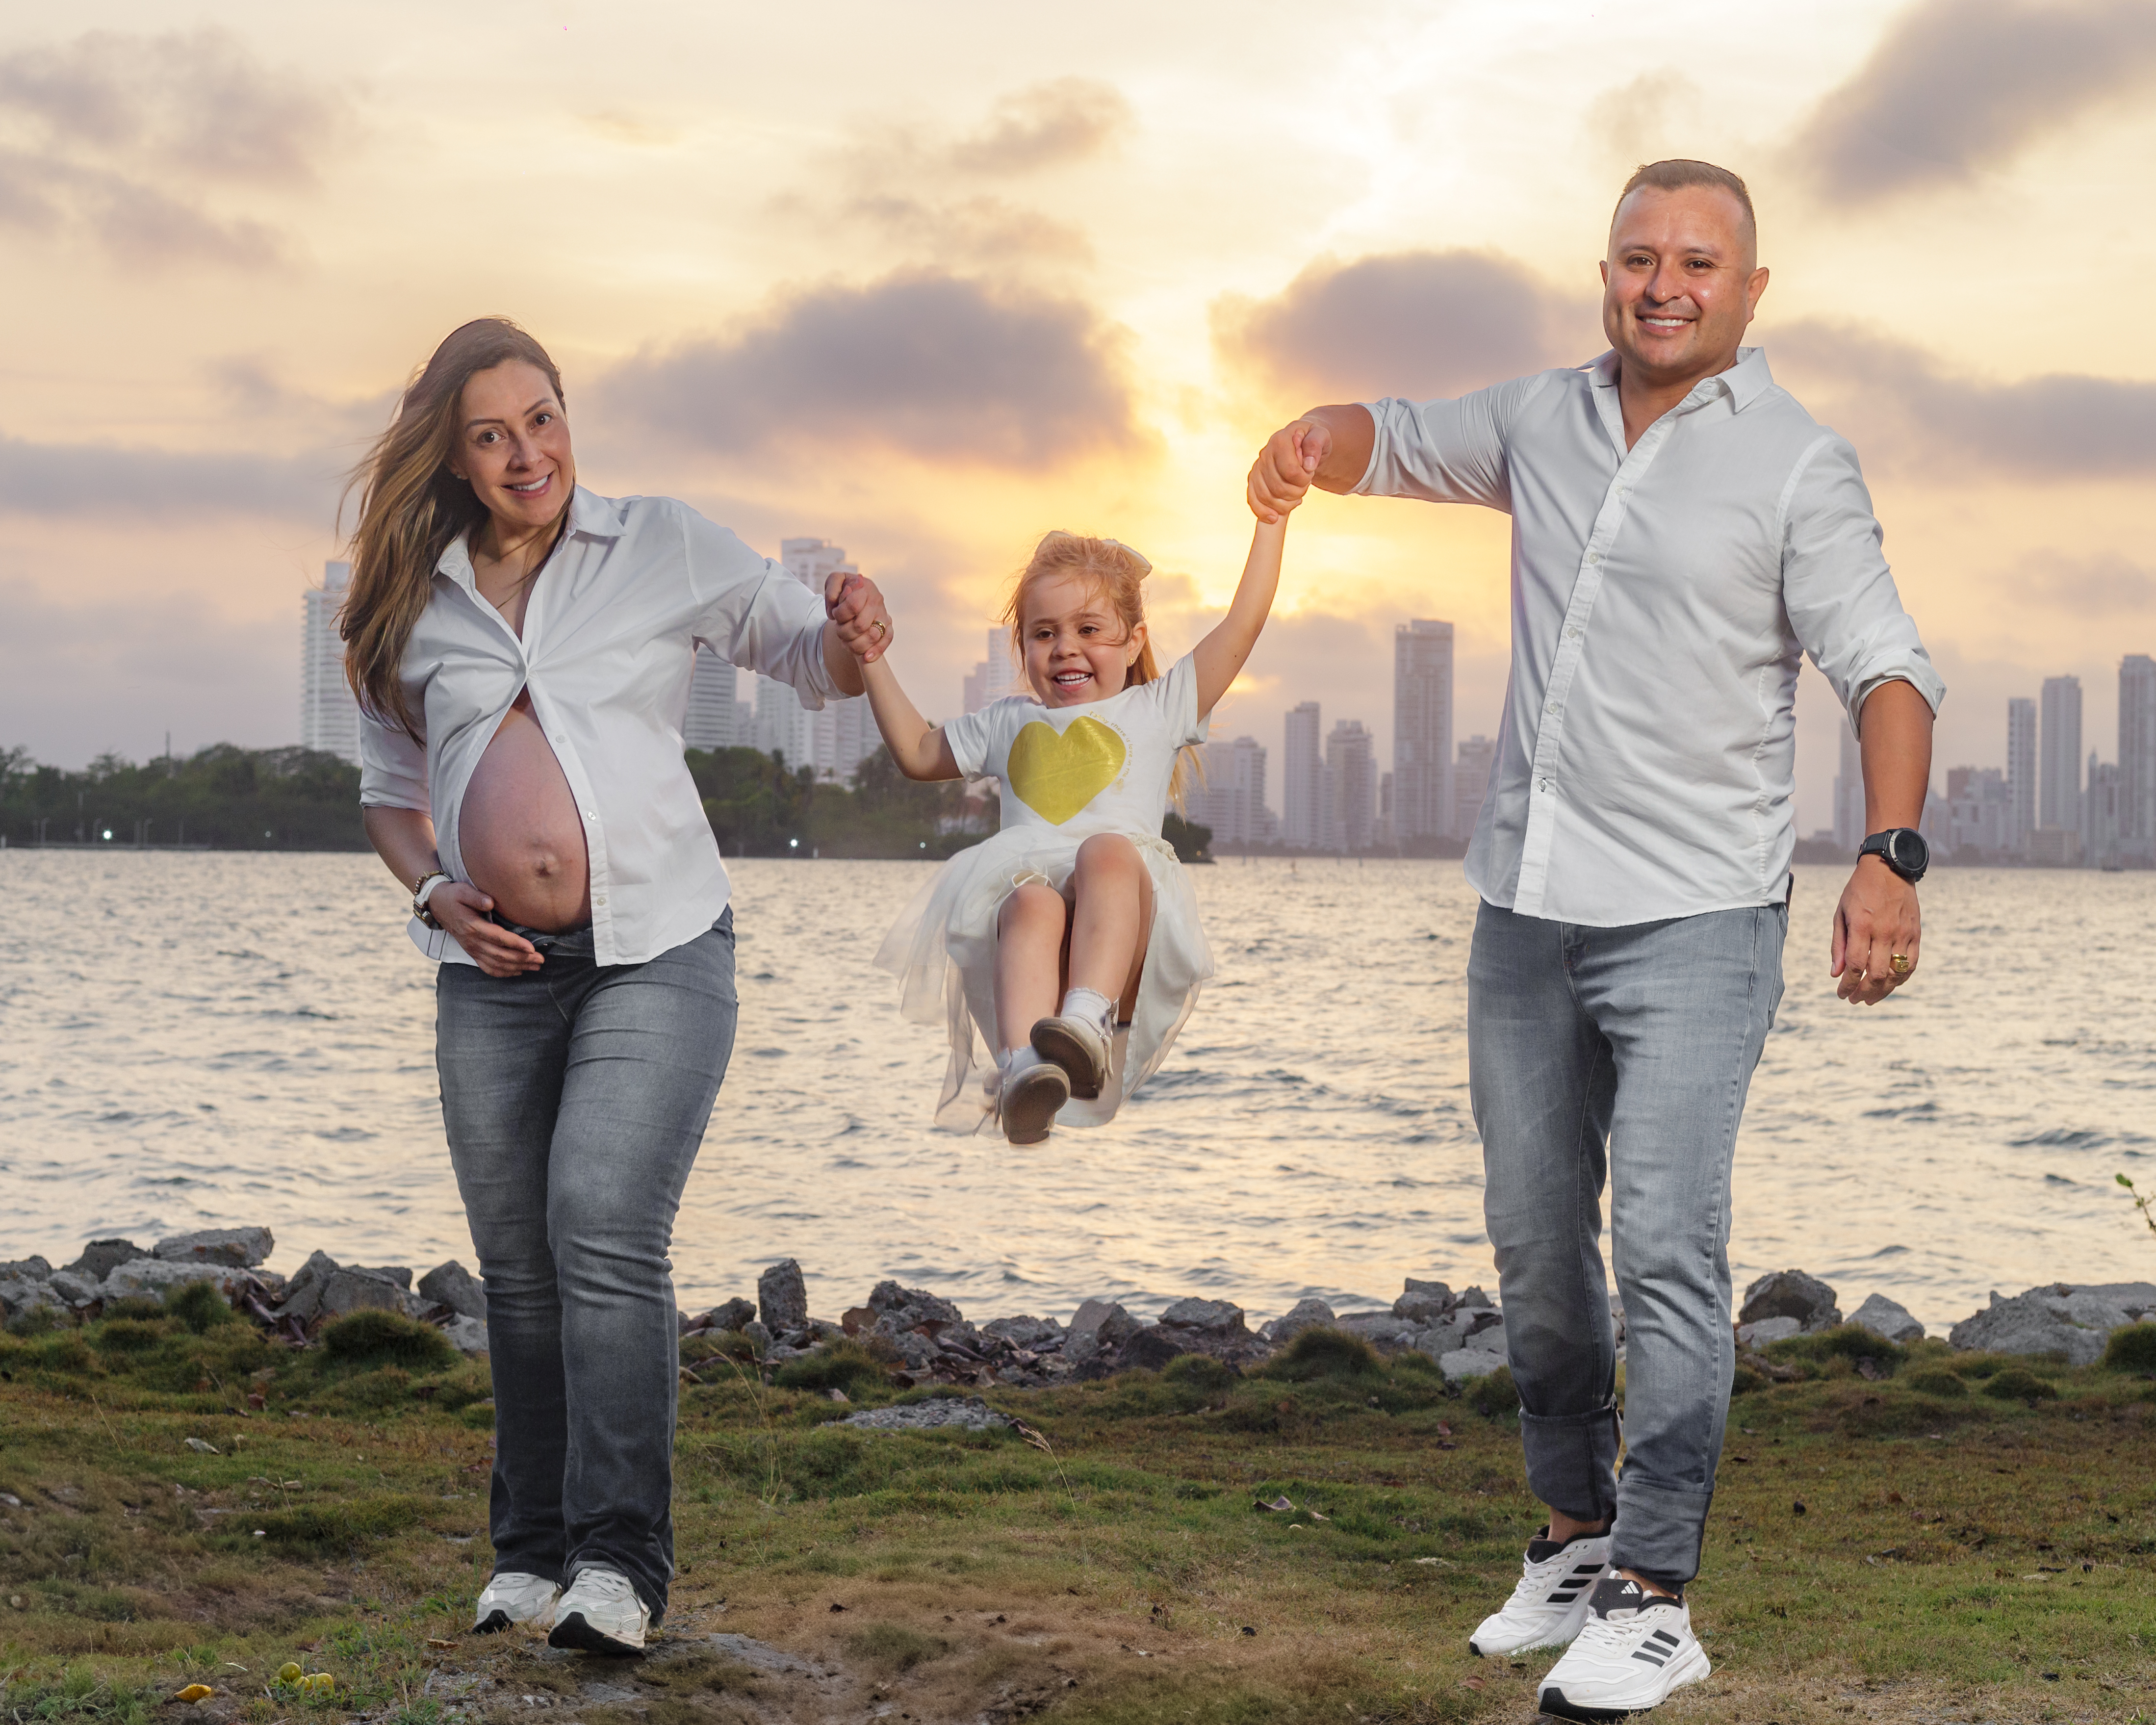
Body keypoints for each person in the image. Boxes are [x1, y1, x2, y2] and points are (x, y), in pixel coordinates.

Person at [1247, 160, 1940, 1719]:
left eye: (1699, 260)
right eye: (1638, 256)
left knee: (1670, 1249)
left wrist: (1888, 854)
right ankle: (1570, 1533)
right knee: (1535, 1244)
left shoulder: (1796, 465)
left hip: (1697, 913)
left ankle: (1654, 1590)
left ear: (1751, 292)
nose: (1663, 283)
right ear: (1605, 273)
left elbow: (1886, 668)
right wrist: (1311, 441)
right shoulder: (1539, 418)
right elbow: (1396, 439)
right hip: (1523, 906)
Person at [342, 317, 892, 1656]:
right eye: (493, 432)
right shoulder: (414, 607)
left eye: (545, 416)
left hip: (659, 946)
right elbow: (391, 799)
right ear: (456, 457)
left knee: (599, 1219)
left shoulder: (664, 543)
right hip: (492, 971)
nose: (529, 449)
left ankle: (619, 1567)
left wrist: (855, 632)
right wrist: (433, 896)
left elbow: (805, 661)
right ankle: (527, 1556)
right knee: (518, 1268)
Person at [865, 522, 1285, 1143]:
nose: (1065, 648)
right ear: (1023, 647)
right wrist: (868, 654)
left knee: (1107, 852)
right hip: (1035, 937)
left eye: (1088, 630)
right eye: (1044, 633)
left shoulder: (1157, 707)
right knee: (1029, 898)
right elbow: (919, 752)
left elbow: (1243, 624)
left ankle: (1087, 1023)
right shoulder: (1008, 722)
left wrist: (1272, 519)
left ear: (1133, 638)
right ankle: (1025, 1072)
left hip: (1119, 931)